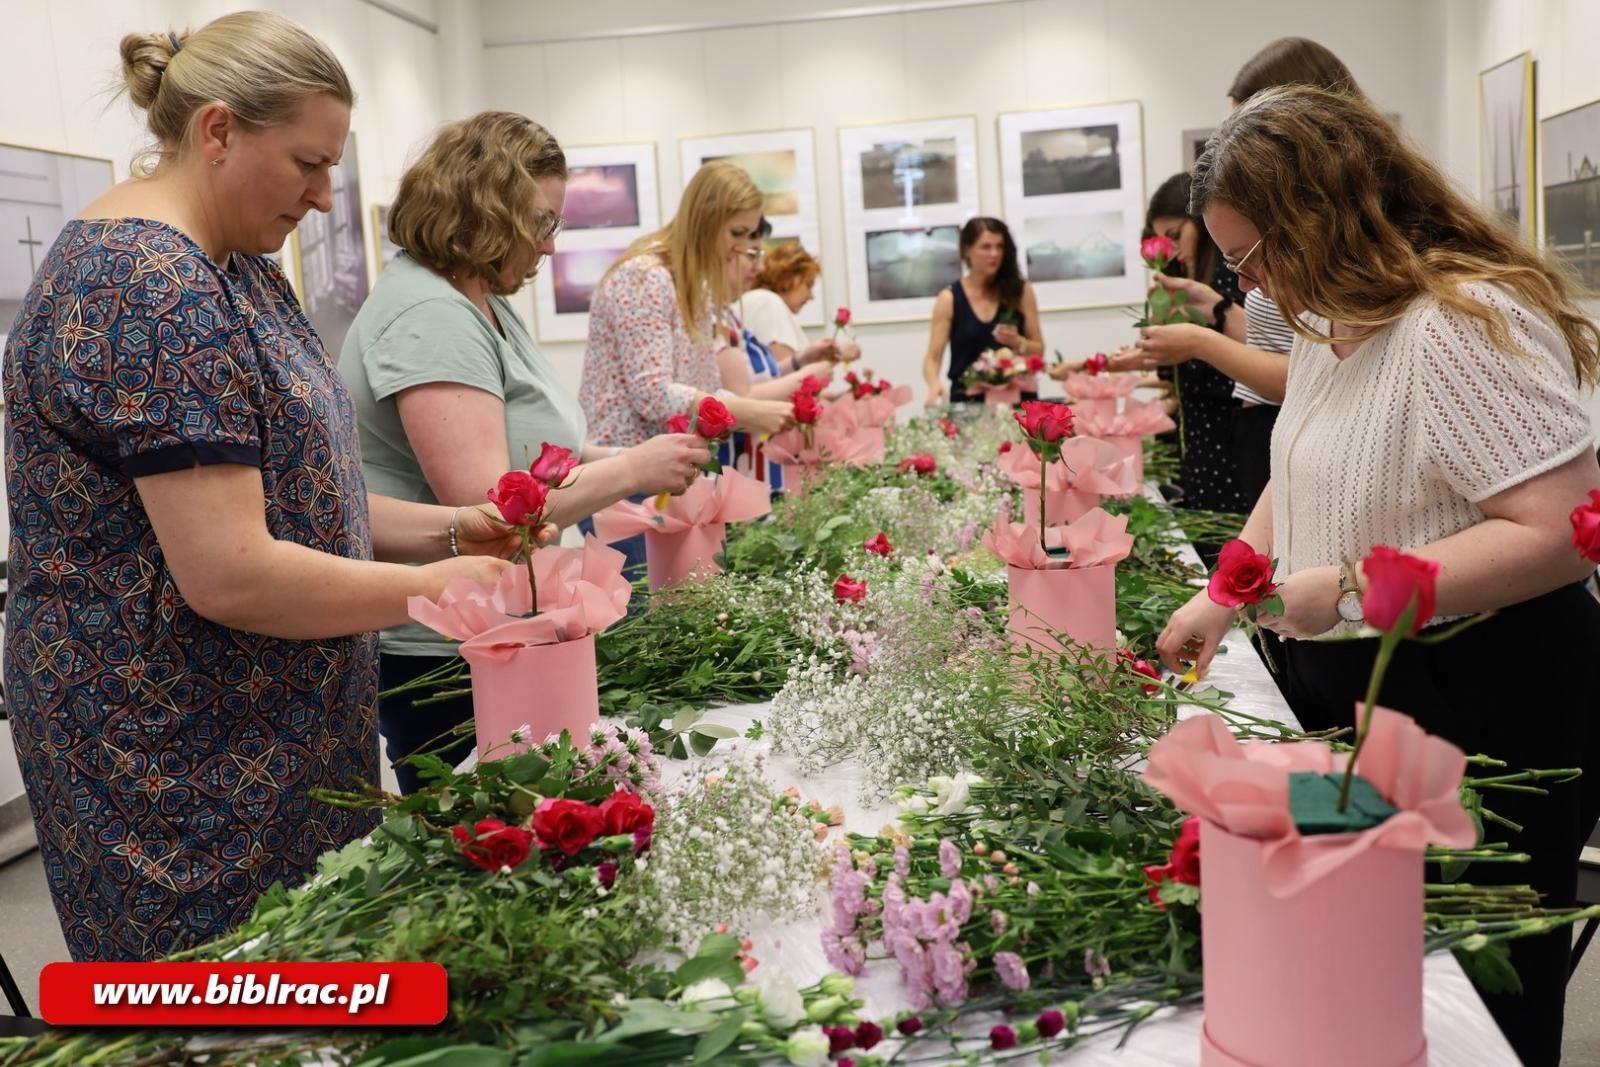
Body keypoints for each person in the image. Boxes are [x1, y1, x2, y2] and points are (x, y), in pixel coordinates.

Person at [2, 12, 518, 961]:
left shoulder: (234, 264)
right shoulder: (149, 287)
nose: (326, 198)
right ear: (218, 131)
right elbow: (233, 574)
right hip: (177, 759)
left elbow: (307, 499)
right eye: (308, 165)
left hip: (260, 736)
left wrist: (456, 531)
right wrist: (451, 592)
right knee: (224, 1010)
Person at [1155, 85, 1600, 1067]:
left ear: (1322, 210)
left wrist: (1351, 589)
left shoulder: (1461, 322)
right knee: (1382, 978)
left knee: (1478, 991)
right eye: (1240, 268)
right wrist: (1221, 595)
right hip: (1373, 690)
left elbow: (1563, 534)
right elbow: (1296, 470)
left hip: (1482, 695)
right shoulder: (1327, 322)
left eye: (1259, 254)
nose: (1259, 285)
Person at [338, 112, 711, 794]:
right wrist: (630, 469)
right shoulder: (431, 314)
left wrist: (621, 455)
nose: (548, 247)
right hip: (454, 652)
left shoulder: (476, 297)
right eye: (541, 223)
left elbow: (533, 457)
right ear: (484, 210)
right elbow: (501, 514)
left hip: (496, 633)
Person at [1112, 38, 1367, 506]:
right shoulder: (1284, 251)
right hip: (1263, 440)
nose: (1247, 281)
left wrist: (1200, 338)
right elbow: (1293, 344)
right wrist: (1216, 308)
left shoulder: (1339, 258)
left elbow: (1310, 370)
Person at [578, 161, 792, 569]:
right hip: (624, 479)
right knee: (644, 623)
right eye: (737, 233)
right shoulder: (644, 278)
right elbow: (652, 391)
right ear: (705, 220)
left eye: (751, 235)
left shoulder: (694, 284)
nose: (745, 247)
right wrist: (745, 412)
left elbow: (703, 381)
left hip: (667, 474)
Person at [922, 217, 1044, 407]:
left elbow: (1039, 349)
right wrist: (934, 384)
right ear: (967, 251)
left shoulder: (1020, 292)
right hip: (968, 403)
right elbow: (932, 358)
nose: (994, 254)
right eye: (986, 247)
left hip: (1016, 400)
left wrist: (1018, 342)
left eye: (999, 247)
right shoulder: (949, 298)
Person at [734, 230, 850, 387]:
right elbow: (788, 383)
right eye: (808, 286)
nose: (811, 296)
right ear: (790, 278)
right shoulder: (767, 302)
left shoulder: (761, 301)